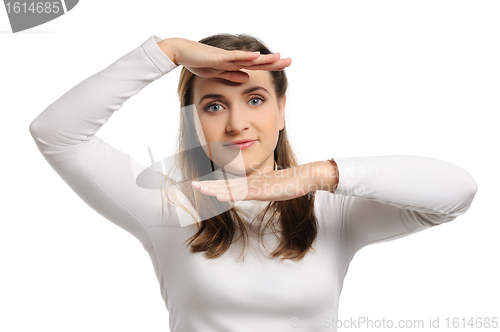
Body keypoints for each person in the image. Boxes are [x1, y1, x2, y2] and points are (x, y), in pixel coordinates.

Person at [29, 34, 478, 331]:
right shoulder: (168, 207)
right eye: (214, 105)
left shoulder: (331, 210)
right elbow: (56, 134)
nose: (237, 123)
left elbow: (457, 193)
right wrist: (165, 53)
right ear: (193, 120)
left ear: (281, 111)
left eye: (256, 99)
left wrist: (317, 176)